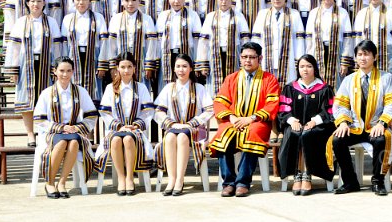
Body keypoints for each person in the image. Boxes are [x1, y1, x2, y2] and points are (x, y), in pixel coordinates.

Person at [210, 41, 281, 197]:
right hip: (233, 120)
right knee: (222, 135)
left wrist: (251, 118)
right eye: (244, 57)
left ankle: (243, 182)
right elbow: (220, 102)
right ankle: (228, 182)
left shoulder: (269, 79)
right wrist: (232, 117)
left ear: (260, 58)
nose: (247, 60)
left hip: (257, 122)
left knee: (252, 134)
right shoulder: (232, 78)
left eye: (251, 57)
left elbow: (272, 104)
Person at [330, 40, 392, 195]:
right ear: (355, 57)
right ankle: (350, 182)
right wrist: (343, 122)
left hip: (376, 125)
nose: (363, 58)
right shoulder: (349, 80)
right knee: (337, 140)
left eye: (367, 54)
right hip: (354, 126)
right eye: (359, 54)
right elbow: (340, 104)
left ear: (374, 57)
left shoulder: (386, 78)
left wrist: (382, 122)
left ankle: (377, 181)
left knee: (380, 140)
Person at [3, 0, 63, 146]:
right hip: (26, 62)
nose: (36, 4)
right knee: (27, 99)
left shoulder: (51, 22)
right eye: (32, 1)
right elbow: (14, 47)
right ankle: (30, 134)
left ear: (44, 3)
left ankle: (46, 131)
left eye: (39, 1)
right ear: (27, 3)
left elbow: (57, 46)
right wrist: (13, 69)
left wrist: (58, 67)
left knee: (48, 98)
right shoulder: (21, 22)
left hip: (46, 62)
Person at [33, 56, 98, 199]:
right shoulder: (47, 93)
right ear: (55, 71)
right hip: (52, 132)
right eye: (61, 70)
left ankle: (61, 182)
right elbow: (39, 119)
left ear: (73, 72)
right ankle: (50, 182)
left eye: (69, 71)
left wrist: (77, 127)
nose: (65, 74)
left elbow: (92, 115)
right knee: (62, 142)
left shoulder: (80, 91)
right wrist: (60, 128)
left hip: (75, 132)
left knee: (74, 142)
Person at [94, 52, 155, 195]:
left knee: (128, 139)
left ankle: (129, 178)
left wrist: (135, 125)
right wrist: (120, 126)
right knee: (115, 140)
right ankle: (121, 178)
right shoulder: (111, 88)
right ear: (117, 68)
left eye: (129, 67)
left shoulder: (141, 88)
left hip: (135, 130)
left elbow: (147, 112)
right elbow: (105, 113)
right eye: (123, 67)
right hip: (116, 129)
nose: (126, 71)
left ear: (134, 68)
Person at [154, 54, 213, 195]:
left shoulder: (199, 88)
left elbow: (210, 110)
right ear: (174, 69)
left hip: (195, 129)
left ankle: (180, 179)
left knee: (182, 137)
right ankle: (171, 179)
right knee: (169, 138)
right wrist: (172, 123)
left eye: (185, 66)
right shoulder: (169, 88)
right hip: (174, 127)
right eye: (178, 66)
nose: (181, 70)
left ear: (191, 69)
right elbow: (158, 111)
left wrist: (191, 124)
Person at [277, 55, 336, 195]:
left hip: (318, 127)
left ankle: (307, 173)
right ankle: (297, 173)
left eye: (309, 66)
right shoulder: (290, 88)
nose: (305, 69)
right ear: (298, 69)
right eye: (302, 66)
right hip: (295, 125)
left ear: (315, 68)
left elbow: (330, 111)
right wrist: (292, 120)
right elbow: (283, 110)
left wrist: (315, 121)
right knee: (294, 133)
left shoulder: (325, 88)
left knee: (308, 134)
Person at [196, 0, 251, 98]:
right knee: (215, 85)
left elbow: (245, 40)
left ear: (231, 0)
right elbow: (204, 42)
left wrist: (244, 59)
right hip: (215, 55)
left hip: (234, 55)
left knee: (234, 82)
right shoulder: (210, 16)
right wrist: (203, 63)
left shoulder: (239, 16)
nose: (224, 2)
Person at [251, 0, 306, 93]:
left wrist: (299, 62)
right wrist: (256, 59)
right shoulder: (262, 14)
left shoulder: (294, 14)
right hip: (267, 60)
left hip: (288, 62)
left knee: (288, 91)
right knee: (266, 90)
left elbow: (299, 41)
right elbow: (256, 41)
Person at [60, 0, 109, 103]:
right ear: (73, 1)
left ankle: (93, 118)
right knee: (74, 88)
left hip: (93, 56)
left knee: (94, 89)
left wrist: (102, 64)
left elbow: (104, 42)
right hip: (73, 55)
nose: (81, 2)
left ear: (90, 1)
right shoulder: (68, 19)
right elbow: (64, 43)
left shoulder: (98, 17)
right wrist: (64, 62)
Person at [107, 0, 160, 91]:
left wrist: (149, 66)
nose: (130, 4)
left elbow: (151, 44)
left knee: (141, 87)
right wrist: (113, 66)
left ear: (139, 1)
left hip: (141, 60)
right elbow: (111, 44)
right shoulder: (116, 19)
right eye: (127, 0)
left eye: (133, 0)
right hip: (121, 59)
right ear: (122, 2)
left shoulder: (146, 19)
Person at [305, 0, 354, 91]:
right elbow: (309, 39)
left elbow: (347, 39)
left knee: (337, 82)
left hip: (337, 51)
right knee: (317, 81)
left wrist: (344, 62)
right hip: (317, 51)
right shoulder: (313, 13)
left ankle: (336, 107)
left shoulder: (343, 12)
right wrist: (308, 59)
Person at [156, 0, 202, 92]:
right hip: (168, 55)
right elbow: (158, 41)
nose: (176, 1)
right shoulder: (163, 16)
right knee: (168, 84)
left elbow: (197, 41)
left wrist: (197, 60)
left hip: (186, 54)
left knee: (186, 82)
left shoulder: (192, 15)